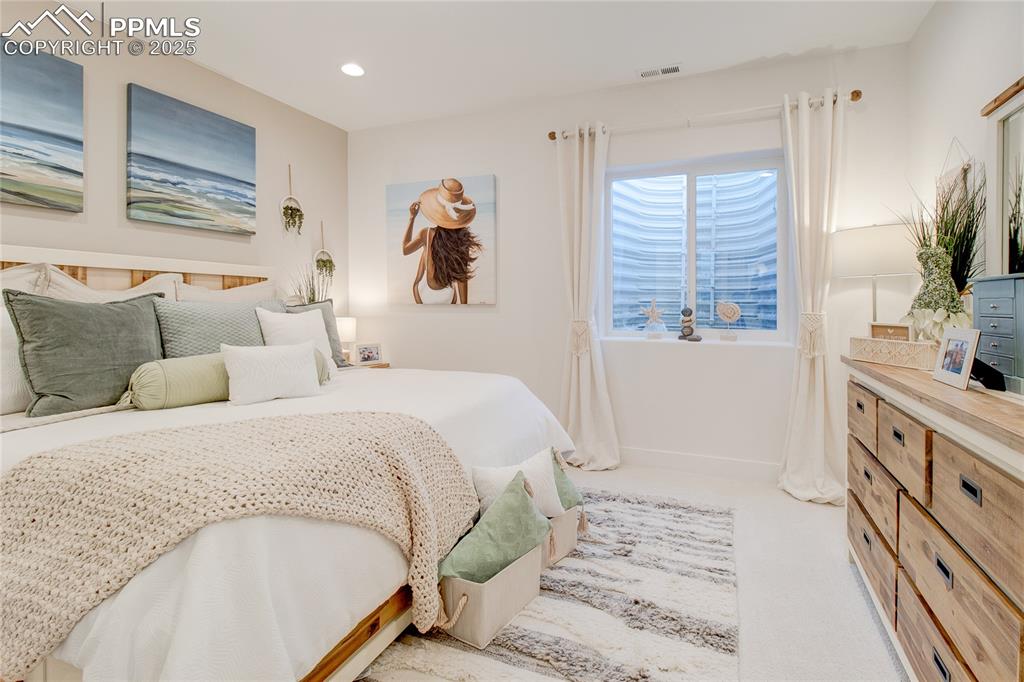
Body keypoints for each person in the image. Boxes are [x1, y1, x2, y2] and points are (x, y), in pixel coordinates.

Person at [402, 178, 482, 304]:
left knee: (426, 250)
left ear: (437, 210)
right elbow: (462, 279)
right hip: (448, 295)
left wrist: (412, 218)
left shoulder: (426, 233)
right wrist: (464, 307)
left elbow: (405, 250)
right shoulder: (462, 241)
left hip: (426, 294)